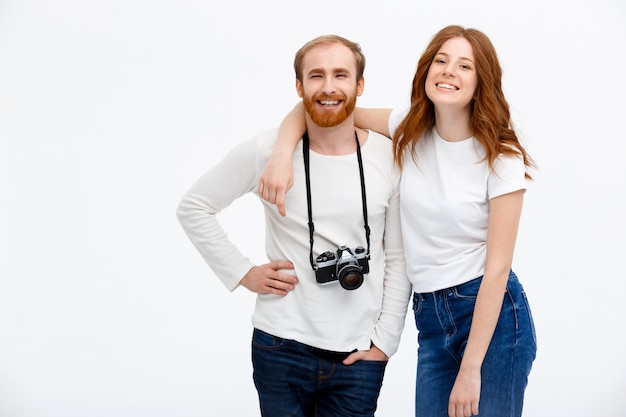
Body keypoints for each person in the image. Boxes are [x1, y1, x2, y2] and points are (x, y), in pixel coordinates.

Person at [258, 25, 537, 417]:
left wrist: (472, 368)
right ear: (426, 70)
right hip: (431, 320)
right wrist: (281, 153)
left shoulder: (500, 157)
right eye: (440, 61)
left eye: (464, 66)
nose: (448, 71)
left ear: (482, 81)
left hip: (491, 318)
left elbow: (498, 269)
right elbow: (327, 104)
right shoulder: (410, 127)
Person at [177, 34, 412, 417]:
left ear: (360, 85)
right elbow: (194, 207)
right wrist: (242, 272)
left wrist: (385, 342)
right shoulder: (268, 152)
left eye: (341, 74)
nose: (329, 86)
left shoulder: (388, 157)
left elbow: (399, 259)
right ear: (299, 86)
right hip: (281, 343)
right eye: (316, 76)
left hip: (359, 354)